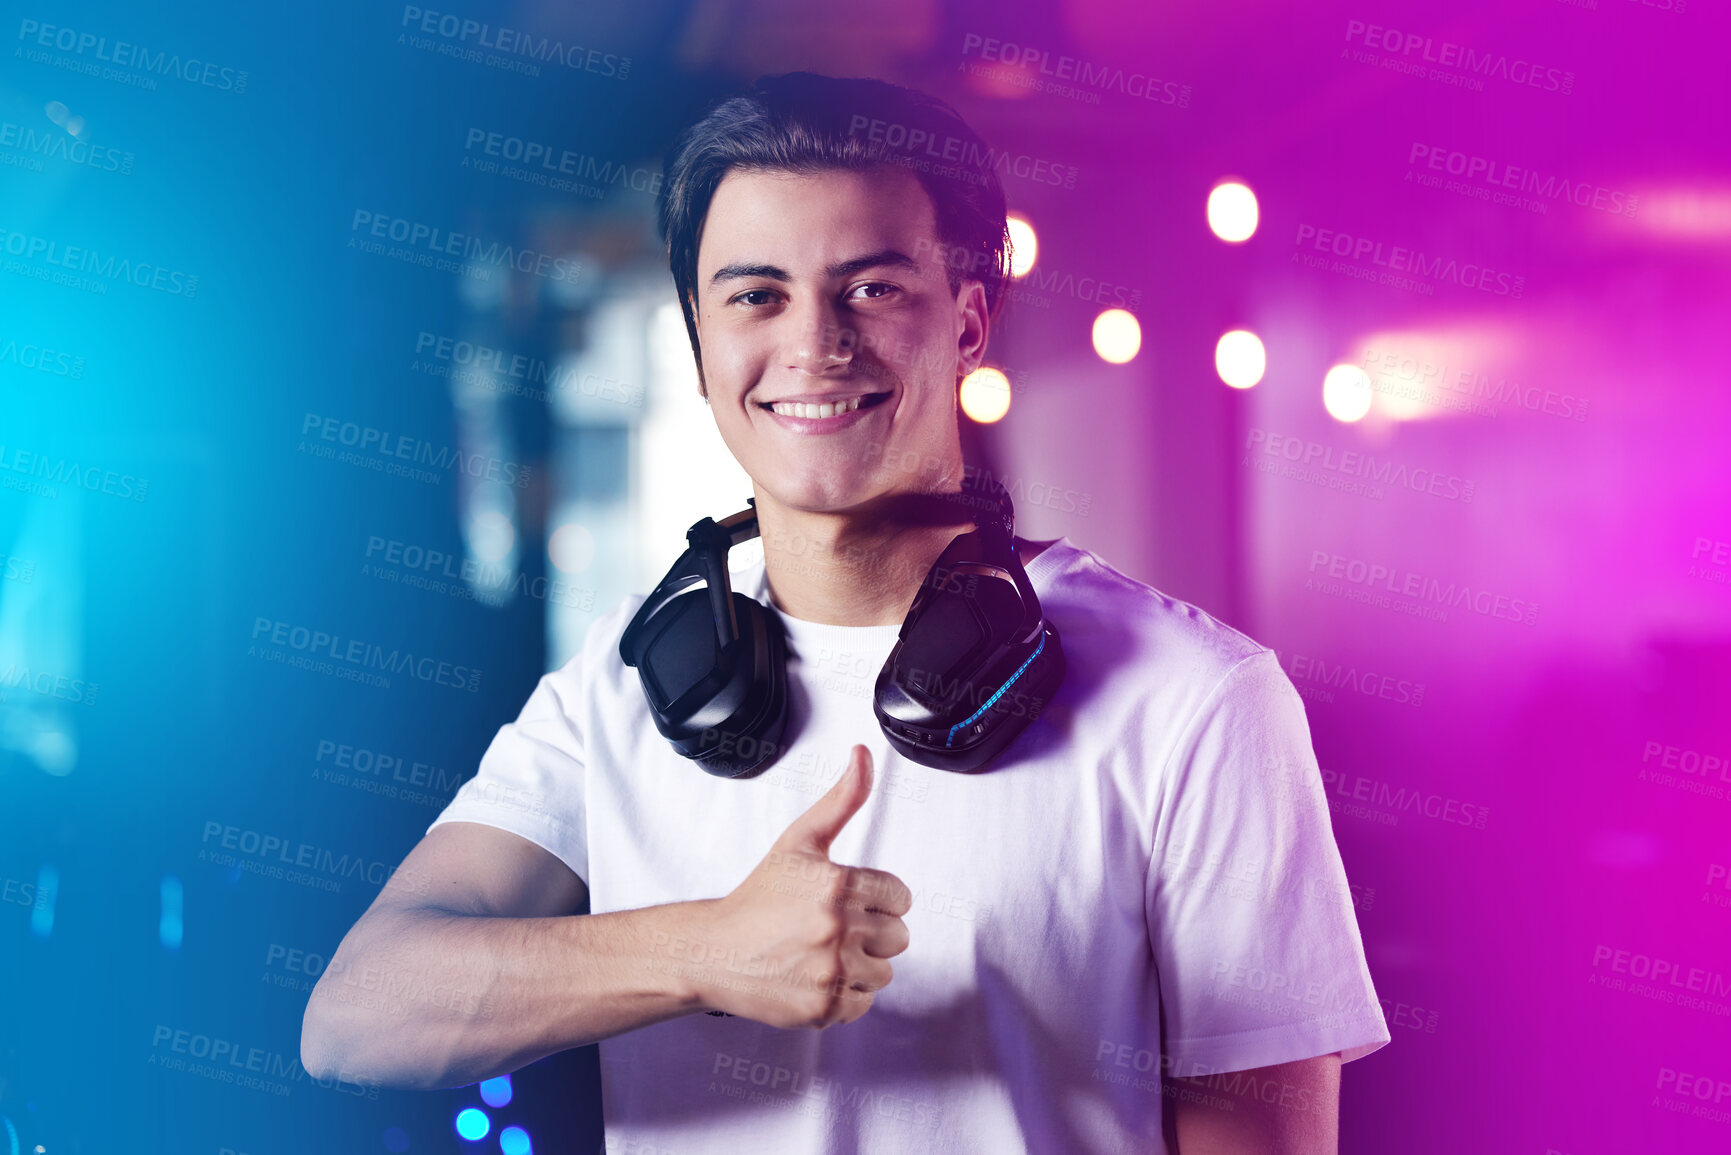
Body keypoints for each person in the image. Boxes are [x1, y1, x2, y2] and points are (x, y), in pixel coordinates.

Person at [301, 71, 1390, 1153]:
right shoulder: (616, 686)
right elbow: (355, 1015)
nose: (814, 343)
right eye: (755, 295)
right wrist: (705, 950)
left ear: (968, 323)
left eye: (870, 288)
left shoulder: (1200, 701)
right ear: (698, 340)